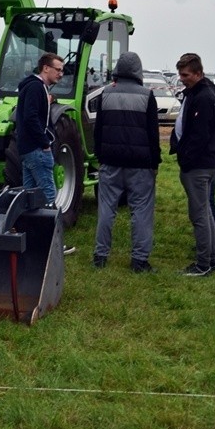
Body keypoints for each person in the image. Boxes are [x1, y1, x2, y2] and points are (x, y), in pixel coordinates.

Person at [92, 51, 161, 272]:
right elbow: (153, 134)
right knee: (141, 211)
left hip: (110, 162)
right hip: (140, 165)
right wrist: (155, 162)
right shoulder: (147, 95)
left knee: (106, 209)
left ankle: (100, 256)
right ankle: (139, 261)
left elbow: (99, 130)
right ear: (138, 71)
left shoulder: (105, 94)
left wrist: (101, 157)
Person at [170, 52, 215, 277]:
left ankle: (203, 264)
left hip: (198, 164)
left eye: (185, 75)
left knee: (199, 214)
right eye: (180, 74)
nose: (182, 78)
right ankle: (212, 259)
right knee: (206, 212)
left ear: (198, 73)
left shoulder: (203, 97)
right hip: (205, 162)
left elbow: (200, 135)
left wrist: (185, 158)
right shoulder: (202, 93)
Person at [16, 52, 76, 254]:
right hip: (37, 150)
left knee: (29, 197)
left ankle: (30, 241)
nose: (61, 73)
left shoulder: (31, 87)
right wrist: (45, 143)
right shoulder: (35, 87)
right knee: (49, 196)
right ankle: (54, 245)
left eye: (62, 70)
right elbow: (31, 117)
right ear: (45, 68)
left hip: (26, 149)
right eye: (58, 69)